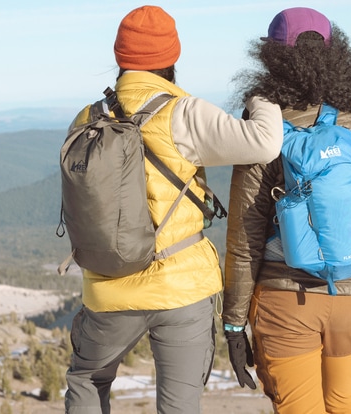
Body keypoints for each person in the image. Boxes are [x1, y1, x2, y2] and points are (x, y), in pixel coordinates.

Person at [63, 5, 284, 414]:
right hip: (181, 286)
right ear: (171, 58)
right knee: (179, 407)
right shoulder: (183, 112)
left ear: (120, 58)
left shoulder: (86, 118)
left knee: (87, 381)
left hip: (106, 287)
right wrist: (262, 93)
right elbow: (266, 142)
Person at [222, 7, 351, 414]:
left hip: (286, 302)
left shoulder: (264, 133)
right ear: (335, 56)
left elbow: (245, 238)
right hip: (350, 296)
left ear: (272, 58)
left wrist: (234, 323)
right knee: (345, 405)